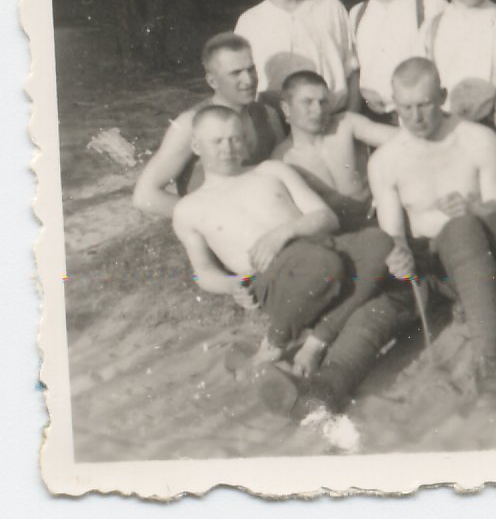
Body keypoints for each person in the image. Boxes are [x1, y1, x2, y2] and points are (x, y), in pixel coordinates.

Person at [368, 58, 496, 406]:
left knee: (462, 226)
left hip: (490, 256)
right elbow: (394, 233)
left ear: (442, 96)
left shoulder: (477, 138)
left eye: (424, 105)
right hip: (438, 264)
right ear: (394, 104)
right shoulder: (385, 160)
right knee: (454, 233)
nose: (416, 117)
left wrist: (473, 208)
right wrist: (398, 252)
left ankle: (490, 360)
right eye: (405, 108)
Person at [172, 105, 394, 378]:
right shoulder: (189, 209)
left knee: (380, 242)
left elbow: (327, 218)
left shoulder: (271, 171)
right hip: (276, 276)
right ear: (196, 145)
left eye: (235, 139)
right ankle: (276, 342)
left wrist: (283, 233)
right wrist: (231, 285)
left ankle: (314, 343)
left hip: (320, 248)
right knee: (322, 263)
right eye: (217, 141)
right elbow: (203, 272)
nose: (228, 148)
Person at [132, 33, 284, 219]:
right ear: (212, 81)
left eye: (251, 69)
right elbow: (145, 196)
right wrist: (209, 219)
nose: (249, 80)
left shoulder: (268, 115)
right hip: (214, 225)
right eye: (236, 73)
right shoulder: (190, 124)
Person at [234, 0, 359, 112]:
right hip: (275, 121)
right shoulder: (249, 21)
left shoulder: (330, 7)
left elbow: (353, 69)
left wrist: (351, 116)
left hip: (332, 117)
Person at [272, 70, 398, 228]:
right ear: (286, 108)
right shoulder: (283, 159)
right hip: (334, 231)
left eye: (323, 102)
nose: (318, 110)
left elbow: (403, 140)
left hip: (379, 215)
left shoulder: (346, 124)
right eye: (307, 102)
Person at [349, 0, 448, 123]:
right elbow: (356, 70)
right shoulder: (357, 13)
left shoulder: (430, 3)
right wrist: (364, 95)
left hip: (420, 119)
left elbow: (450, 65)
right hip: (373, 119)